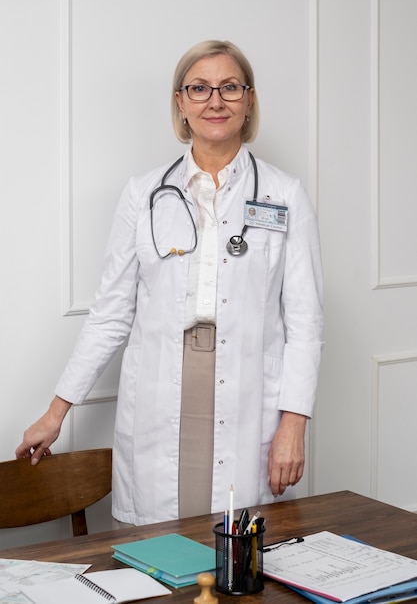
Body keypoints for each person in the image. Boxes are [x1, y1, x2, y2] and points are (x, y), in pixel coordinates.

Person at [16, 40, 324, 526]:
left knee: (236, 557)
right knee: (156, 554)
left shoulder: (284, 195)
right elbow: (111, 315)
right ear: (180, 102)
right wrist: (57, 412)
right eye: (199, 88)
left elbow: (304, 325)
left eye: (230, 87)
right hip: (160, 388)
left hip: (247, 396)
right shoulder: (143, 193)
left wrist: (293, 425)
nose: (215, 100)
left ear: (248, 100)